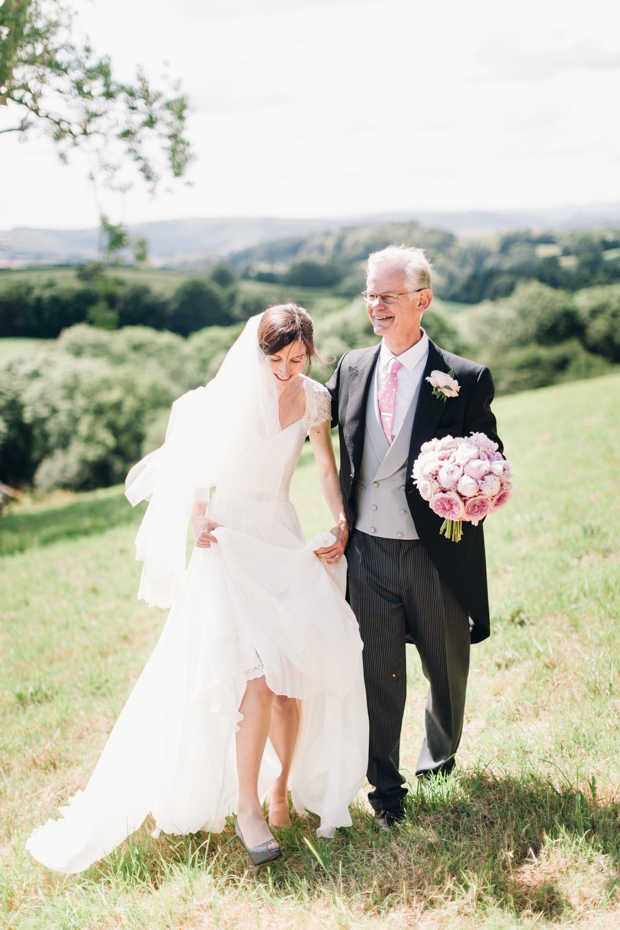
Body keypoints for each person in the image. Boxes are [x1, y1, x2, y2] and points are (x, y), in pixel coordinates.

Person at [27, 305, 368, 872]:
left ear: (309, 354)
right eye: (275, 360)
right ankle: (245, 807)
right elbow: (193, 463)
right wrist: (198, 517)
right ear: (258, 354)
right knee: (257, 680)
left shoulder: (313, 399)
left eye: (296, 359)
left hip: (279, 537)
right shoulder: (229, 398)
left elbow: (326, 470)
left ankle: (279, 789)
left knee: (290, 684)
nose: (284, 371)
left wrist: (338, 521)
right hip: (230, 542)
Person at [326, 246, 502, 828]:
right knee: (376, 673)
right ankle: (386, 790)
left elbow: (490, 457)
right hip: (368, 552)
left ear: (421, 300)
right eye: (370, 293)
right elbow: (304, 424)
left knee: (446, 671)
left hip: (436, 555)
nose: (375, 305)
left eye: (389, 295)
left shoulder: (464, 378)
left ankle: (438, 759)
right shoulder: (351, 367)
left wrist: (474, 484)